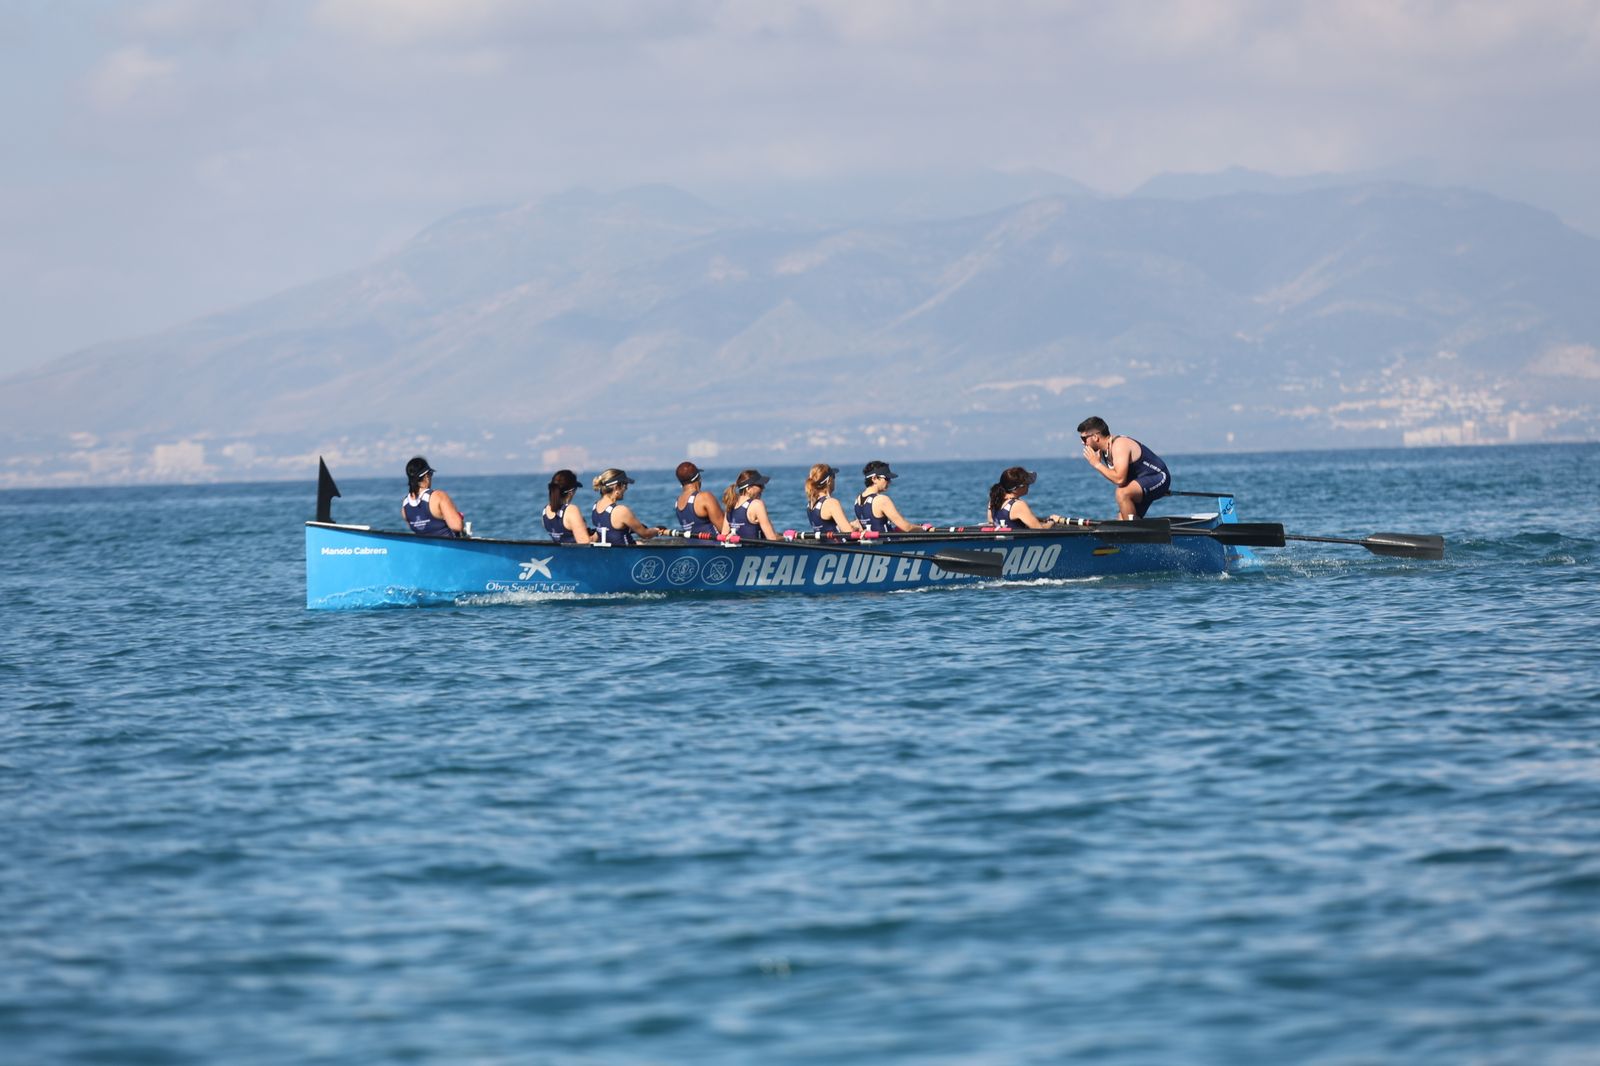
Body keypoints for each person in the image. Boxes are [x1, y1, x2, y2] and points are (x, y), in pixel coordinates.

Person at [1077, 416, 1171, 519]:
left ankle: (1132, 530)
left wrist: (1097, 464)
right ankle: (1134, 531)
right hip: (1142, 482)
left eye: (1084, 438)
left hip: (1158, 477)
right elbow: (1119, 478)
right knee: (1121, 519)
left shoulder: (1119, 445)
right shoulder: (1104, 452)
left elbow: (1120, 479)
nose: (1082, 442)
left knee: (1122, 493)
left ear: (1095, 437)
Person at [591, 469, 665, 546]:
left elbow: (605, 531)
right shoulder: (621, 511)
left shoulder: (595, 507)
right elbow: (645, 534)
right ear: (616, 487)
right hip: (626, 555)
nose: (626, 488)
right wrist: (658, 530)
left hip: (609, 554)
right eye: (625, 485)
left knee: (639, 543)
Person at [400, 457, 466, 537]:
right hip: (447, 546)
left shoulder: (405, 506)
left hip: (424, 547)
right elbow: (457, 526)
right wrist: (459, 517)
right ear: (426, 476)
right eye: (431, 473)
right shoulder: (439, 496)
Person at [853, 460, 925, 533]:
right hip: (888, 542)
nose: (890, 482)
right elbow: (907, 527)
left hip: (873, 542)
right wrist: (924, 528)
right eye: (887, 478)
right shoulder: (882, 500)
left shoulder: (857, 500)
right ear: (874, 479)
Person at [987, 466, 1065, 529]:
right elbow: (1039, 529)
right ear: (1015, 489)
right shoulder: (1018, 505)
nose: (1029, 485)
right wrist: (1052, 522)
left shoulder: (994, 500)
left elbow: (991, 521)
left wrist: (1041, 519)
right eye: (1026, 483)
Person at [803, 463, 860, 536]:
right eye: (834, 477)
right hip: (839, 545)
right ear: (828, 481)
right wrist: (861, 529)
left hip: (823, 544)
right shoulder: (831, 503)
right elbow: (849, 533)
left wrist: (852, 524)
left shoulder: (810, 504)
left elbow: (827, 527)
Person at [721, 469, 778, 540]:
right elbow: (772, 538)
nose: (763, 488)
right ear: (748, 488)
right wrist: (786, 538)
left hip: (734, 550)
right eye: (760, 485)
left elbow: (723, 536)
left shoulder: (730, 504)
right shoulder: (757, 504)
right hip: (753, 550)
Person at [673, 461, 725, 537]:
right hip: (713, 546)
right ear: (698, 477)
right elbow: (723, 529)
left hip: (692, 547)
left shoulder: (677, 502)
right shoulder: (705, 497)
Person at [541, 469, 593, 544]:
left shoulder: (545, 511)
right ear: (571, 492)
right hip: (575, 555)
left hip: (558, 555)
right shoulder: (571, 510)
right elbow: (584, 543)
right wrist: (598, 534)